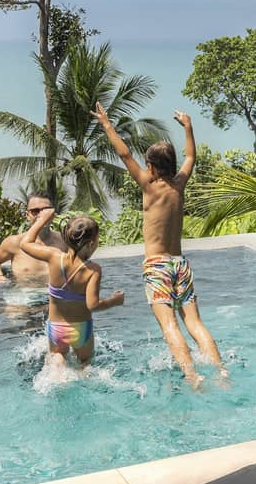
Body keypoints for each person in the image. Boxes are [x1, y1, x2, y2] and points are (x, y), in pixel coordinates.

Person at [94, 103, 226, 389]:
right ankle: (221, 372)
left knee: (170, 326)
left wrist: (106, 124)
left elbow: (123, 153)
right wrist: (188, 126)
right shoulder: (180, 183)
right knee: (195, 323)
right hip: (181, 264)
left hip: (157, 266)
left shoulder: (148, 185)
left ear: (151, 166)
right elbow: (191, 155)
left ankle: (193, 376)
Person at [18, 207, 123, 366]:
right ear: (92, 242)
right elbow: (93, 305)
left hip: (56, 328)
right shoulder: (93, 270)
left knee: (57, 358)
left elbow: (24, 243)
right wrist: (114, 301)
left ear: (66, 238)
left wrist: (42, 220)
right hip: (81, 328)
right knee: (86, 363)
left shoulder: (53, 257)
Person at [0, 194, 65, 282]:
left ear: (53, 213)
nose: (41, 215)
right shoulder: (15, 242)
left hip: (58, 295)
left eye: (45, 210)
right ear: (27, 215)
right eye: (35, 211)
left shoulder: (65, 241)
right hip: (24, 294)